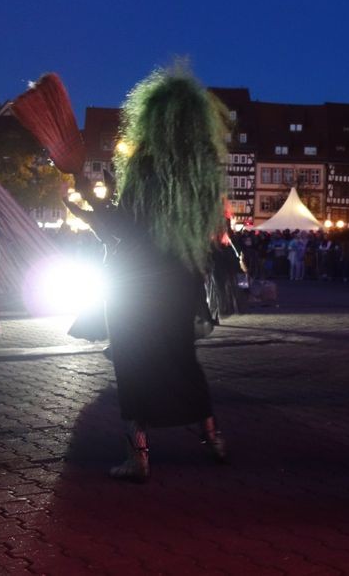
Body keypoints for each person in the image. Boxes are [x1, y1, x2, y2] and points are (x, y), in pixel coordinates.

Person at [69, 66, 230, 482]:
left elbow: (127, 226)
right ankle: (213, 437)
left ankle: (137, 454)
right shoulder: (203, 168)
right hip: (182, 276)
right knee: (181, 357)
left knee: (132, 358)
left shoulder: (144, 163)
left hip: (138, 279)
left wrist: (93, 205)